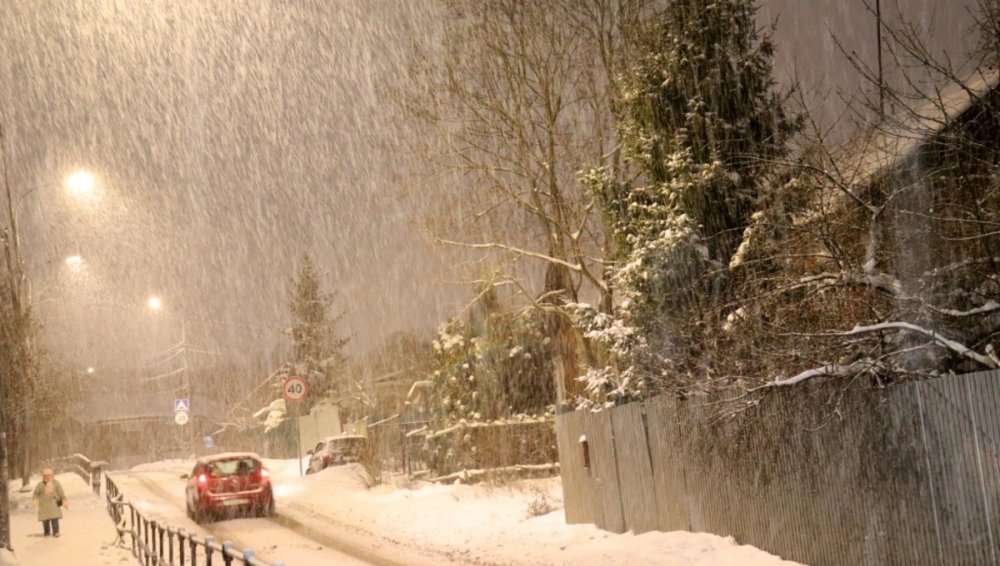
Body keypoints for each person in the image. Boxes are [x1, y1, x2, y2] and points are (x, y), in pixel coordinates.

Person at [32, 468, 68, 538]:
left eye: (49, 475)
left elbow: (61, 492)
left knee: (55, 519)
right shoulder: (40, 485)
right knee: (45, 520)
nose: (48, 477)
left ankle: (56, 532)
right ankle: (47, 532)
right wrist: (34, 500)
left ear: (52, 475)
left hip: (54, 505)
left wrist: (64, 500)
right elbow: (36, 494)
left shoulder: (56, 483)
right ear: (43, 476)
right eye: (46, 475)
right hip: (44, 505)